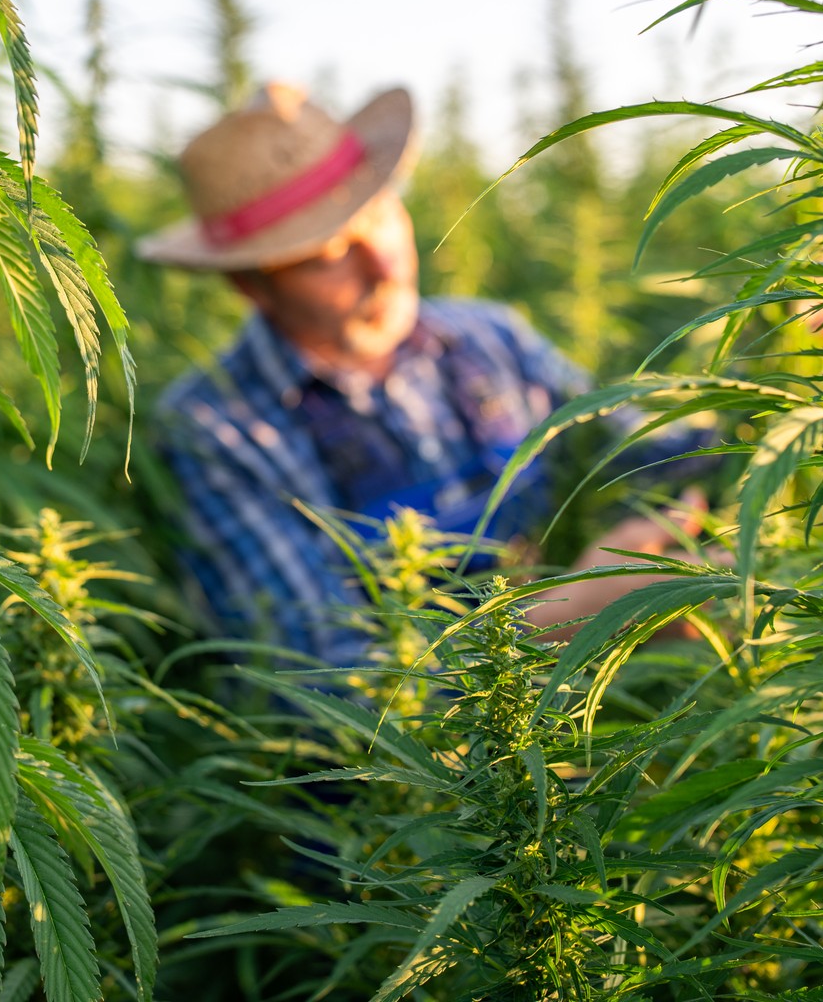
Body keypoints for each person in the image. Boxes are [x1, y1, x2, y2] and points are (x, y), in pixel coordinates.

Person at [138, 82, 707, 665]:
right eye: (328, 252)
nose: (382, 266)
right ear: (250, 283)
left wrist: (779, 367)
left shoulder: (490, 339)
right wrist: (577, 616)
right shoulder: (217, 429)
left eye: (380, 213)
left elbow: (657, 458)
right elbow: (317, 680)